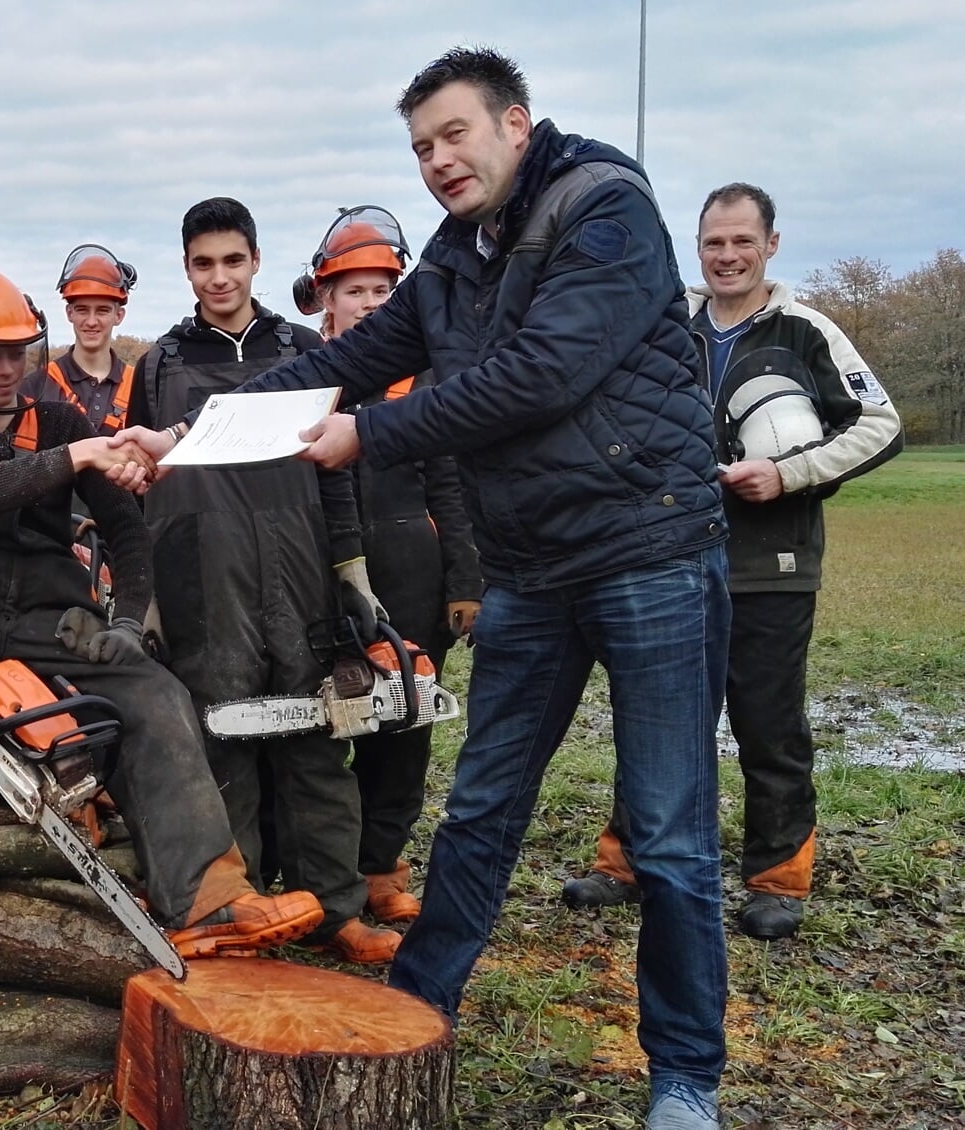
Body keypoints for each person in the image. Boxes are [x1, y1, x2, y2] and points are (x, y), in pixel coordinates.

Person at [109, 48, 731, 1130]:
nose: (438, 160)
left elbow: (539, 371)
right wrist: (191, 434)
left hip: (649, 548)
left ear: (513, 124)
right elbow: (338, 363)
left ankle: (682, 1074)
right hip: (533, 566)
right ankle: (418, 1001)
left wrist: (369, 433)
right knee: (482, 806)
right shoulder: (454, 253)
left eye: (453, 135)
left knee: (669, 830)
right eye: (419, 147)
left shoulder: (604, 209)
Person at [0, 265, 324, 960]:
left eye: (16, 352)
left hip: (52, 614)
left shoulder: (59, 418)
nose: (6, 369)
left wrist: (128, 623)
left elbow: (128, 533)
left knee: (156, 693)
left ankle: (207, 900)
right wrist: (75, 455)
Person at [562, 183, 903, 941]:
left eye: (741, 241)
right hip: (663, 560)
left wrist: (786, 474)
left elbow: (880, 424)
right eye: (713, 242)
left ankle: (776, 880)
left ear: (769, 245)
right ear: (697, 246)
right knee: (656, 719)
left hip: (769, 565)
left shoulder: (805, 330)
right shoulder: (663, 323)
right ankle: (626, 864)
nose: (726, 255)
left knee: (766, 722)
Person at [124, 197, 396, 964]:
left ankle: (336, 909)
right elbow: (146, 489)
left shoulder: (303, 347)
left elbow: (335, 468)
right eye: (203, 263)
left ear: (255, 261)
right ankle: (236, 908)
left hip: (300, 564)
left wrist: (351, 569)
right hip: (203, 579)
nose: (219, 277)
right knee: (224, 740)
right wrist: (145, 599)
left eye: (232, 260)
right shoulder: (160, 364)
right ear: (185, 269)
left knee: (315, 740)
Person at [295, 205, 483, 926]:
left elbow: (453, 488)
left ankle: (379, 867)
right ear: (326, 299)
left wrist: (463, 581)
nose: (369, 302)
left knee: (403, 726)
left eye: (382, 290)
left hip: (411, 565)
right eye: (354, 290)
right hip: (320, 571)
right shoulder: (309, 383)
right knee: (319, 721)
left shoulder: (424, 383)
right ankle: (318, 867)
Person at [21, 244, 139, 436]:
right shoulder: (37, 386)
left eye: (102, 310)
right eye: (82, 310)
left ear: (119, 315)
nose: (91, 322)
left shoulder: (139, 386)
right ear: (69, 313)